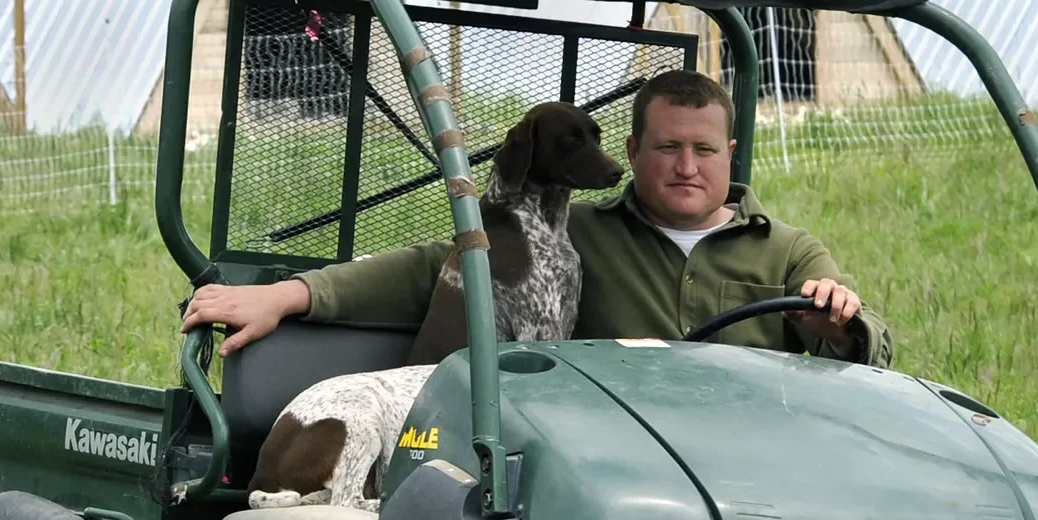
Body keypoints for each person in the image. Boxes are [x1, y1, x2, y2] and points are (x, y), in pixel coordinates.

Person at [182, 70, 892, 366]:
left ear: (728, 153)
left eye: (704, 149)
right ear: (633, 152)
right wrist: (286, 294)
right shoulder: (573, 234)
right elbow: (443, 267)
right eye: (666, 147)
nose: (685, 166)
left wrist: (841, 323)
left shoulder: (790, 252)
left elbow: (866, 340)